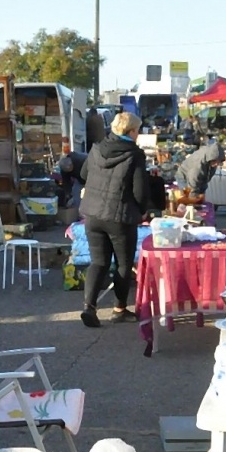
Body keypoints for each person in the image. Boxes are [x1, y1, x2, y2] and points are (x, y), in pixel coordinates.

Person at [77, 111, 150, 327]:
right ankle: (119, 309)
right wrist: (143, 210)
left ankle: (89, 307)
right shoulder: (135, 154)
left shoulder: (97, 148)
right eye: (138, 130)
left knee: (98, 261)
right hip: (120, 216)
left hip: (92, 213)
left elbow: (83, 174)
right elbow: (139, 191)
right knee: (123, 264)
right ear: (132, 131)